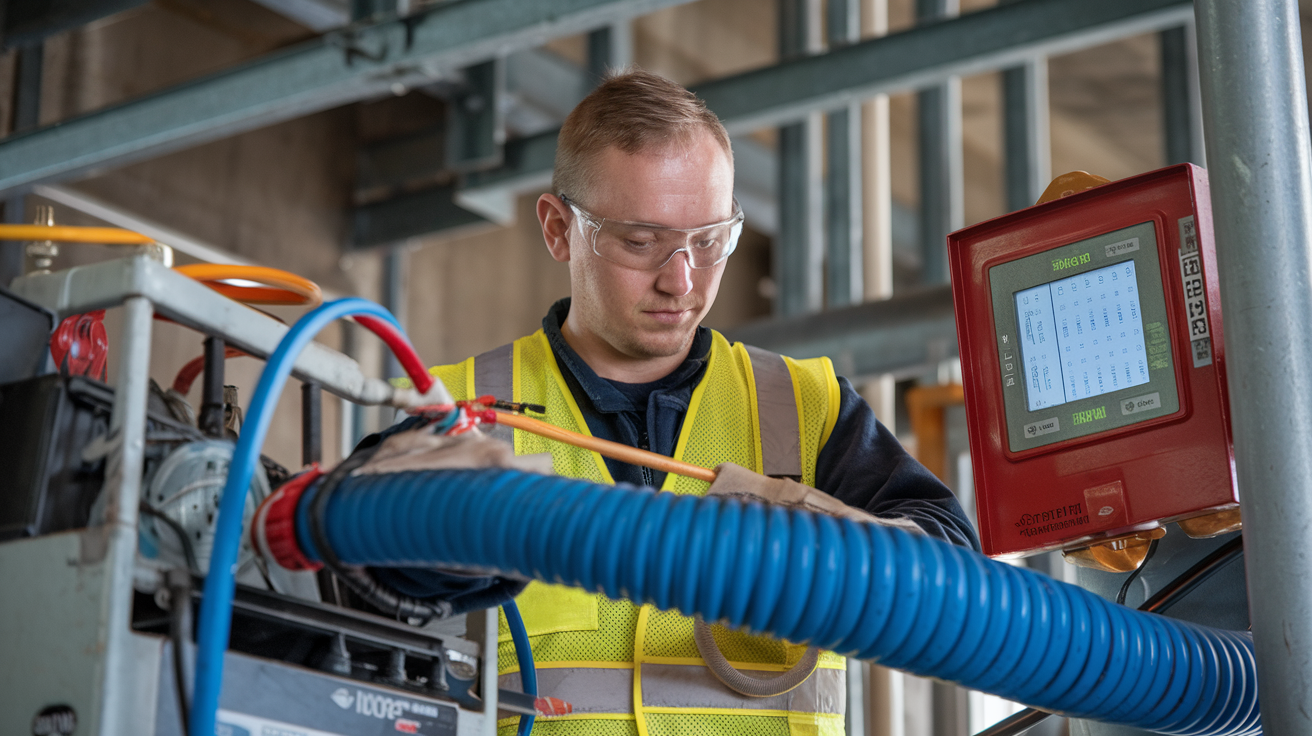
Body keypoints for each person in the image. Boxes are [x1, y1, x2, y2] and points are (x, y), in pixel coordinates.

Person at [421, 70, 977, 736]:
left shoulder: (804, 406)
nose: (681, 278)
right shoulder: (455, 408)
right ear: (559, 228)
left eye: (710, 241)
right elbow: (356, 600)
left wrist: (796, 541)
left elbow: (953, 575)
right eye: (641, 241)